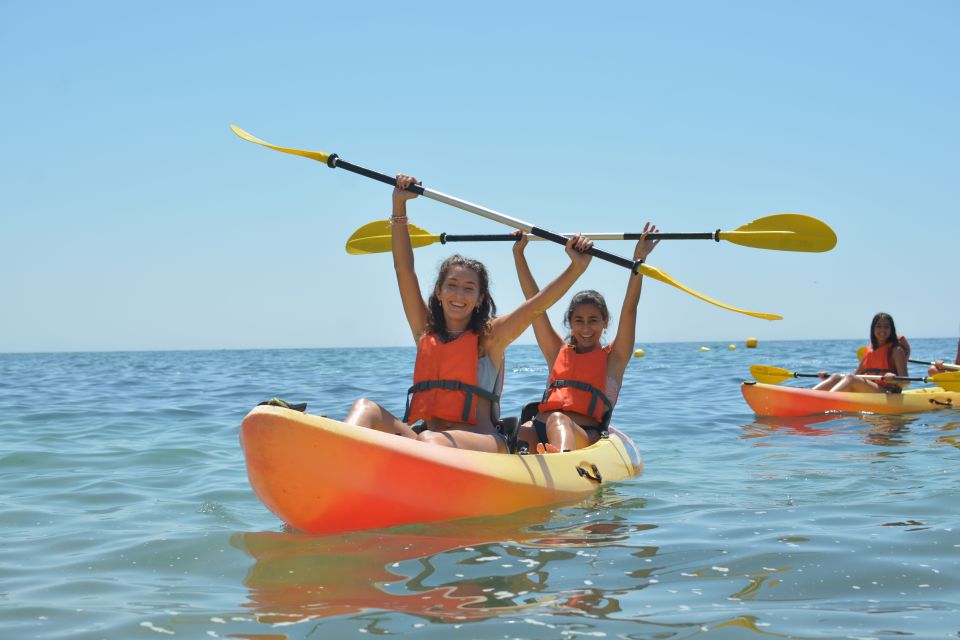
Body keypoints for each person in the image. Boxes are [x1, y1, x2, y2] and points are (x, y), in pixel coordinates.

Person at [343, 174, 594, 453]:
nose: (459, 295)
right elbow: (404, 269)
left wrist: (576, 268)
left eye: (469, 288)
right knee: (366, 408)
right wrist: (399, 204)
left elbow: (537, 304)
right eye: (452, 285)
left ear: (480, 298)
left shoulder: (491, 337)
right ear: (438, 291)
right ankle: (335, 461)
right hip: (430, 440)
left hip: (484, 443)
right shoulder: (425, 330)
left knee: (430, 439)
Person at [512, 223, 659, 453]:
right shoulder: (557, 353)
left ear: (605, 322)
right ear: (570, 323)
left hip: (584, 434)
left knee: (558, 421)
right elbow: (534, 304)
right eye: (579, 320)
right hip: (539, 426)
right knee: (518, 431)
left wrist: (638, 260)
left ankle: (559, 462)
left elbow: (630, 309)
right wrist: (519, 254)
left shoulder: (614, 359)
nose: (586, 328)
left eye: (593, 320)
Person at [813, 312, 908, 393]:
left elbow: (905, 382)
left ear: (891, 330)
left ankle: (825, 399)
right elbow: (857, 376)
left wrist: (894, 378)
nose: (882, 330)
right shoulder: (868, 350)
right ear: (873, 329)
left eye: (886, 327)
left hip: (888, 392)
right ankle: (809, 394)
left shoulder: (896, 350)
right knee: (836, 377)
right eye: (878, 326)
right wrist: (828, 378)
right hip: (871, 389)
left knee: (851, 378)